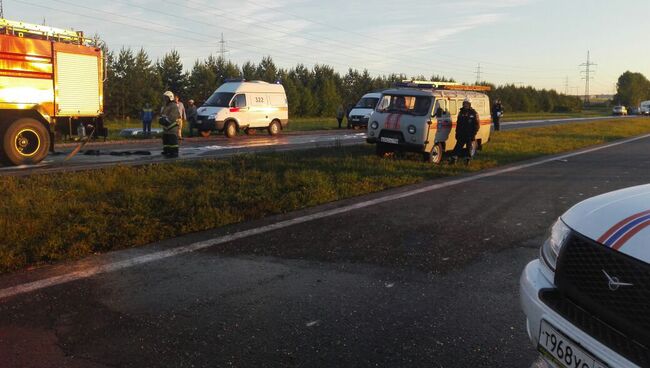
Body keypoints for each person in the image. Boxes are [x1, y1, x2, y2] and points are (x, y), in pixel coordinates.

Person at [450, 98, 480, 165]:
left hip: (469, 134)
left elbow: (477, 125)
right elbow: (458, 124)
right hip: (461, 134)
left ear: (469, 104)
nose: (465, 105)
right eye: (464, 103)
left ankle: (467, 161)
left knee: (468, 148)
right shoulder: (461, 113)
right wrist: (457, 133)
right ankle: (454, 159)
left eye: (467, 104)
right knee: (457, 147)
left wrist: (473, 134)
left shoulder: (474, 113)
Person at [160, 91, 181, 158]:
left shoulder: (173, 106)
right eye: (164, 98)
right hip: (166, 127)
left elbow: (172, 117)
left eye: (166, 98)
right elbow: (162, 114)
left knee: (172, 140)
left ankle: (174, 152)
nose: (165, 99)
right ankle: (167, 151)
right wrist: (161, 119)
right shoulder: (166, 105)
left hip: (172, 126)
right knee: (166, 139)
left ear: (170, 98)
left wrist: (166, 120)